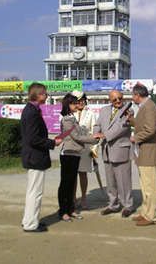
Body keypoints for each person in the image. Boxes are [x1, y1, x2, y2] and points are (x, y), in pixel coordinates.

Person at [20, 83, 62, 233]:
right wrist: (52, 142)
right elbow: (33, 139)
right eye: (44, 94)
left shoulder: (32, 110)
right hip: (35, 157)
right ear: (37, 95)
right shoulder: (31, 112)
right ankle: (31, 224)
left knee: (33, 191)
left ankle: (29, 220)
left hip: (34, 156)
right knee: (35, 193)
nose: (46, 96)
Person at [58, 93, 103, 222]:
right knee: (66, 184)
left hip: (80, 151)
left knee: (75, 179)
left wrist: (94, 146)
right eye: (75, 102)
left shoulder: (79, 116)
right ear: (69, 105)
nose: (78, 104)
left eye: (81, 101)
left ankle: (72, 208)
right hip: (69, 152)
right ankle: (64, 210)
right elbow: (77, 136)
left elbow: (87, 131)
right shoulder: (67, 119)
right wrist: (94, 139)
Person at [93, 90, 134, 218]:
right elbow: (97, 124)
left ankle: (127, 205)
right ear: (109, 99)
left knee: (124, 181)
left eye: (120, 98)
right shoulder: (104, 110)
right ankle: (113, 205)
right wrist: (96, 134)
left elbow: (123, 127)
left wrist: (105, 135)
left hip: (121, 150)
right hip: (106, 150)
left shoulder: (128, 110)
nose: (118, 101)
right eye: (114, 99)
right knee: (110, 181)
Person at [128, 84, 156, 226]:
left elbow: (150, 130)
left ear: (137, 95)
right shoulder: (146, 106)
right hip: (144, 152)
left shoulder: (149, 107)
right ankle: (145, 212)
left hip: (149, 151)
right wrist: (131, 120)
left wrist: (135, 138)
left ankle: (151, 216)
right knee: (145, 185)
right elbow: (143, 125)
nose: (132, 97)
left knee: (150, 186)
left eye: (132, 95)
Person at [72, 91, 97, 210]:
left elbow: (94, 133)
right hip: (72, 149)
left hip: (86, 148)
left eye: (83, 100)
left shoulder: (91, 114)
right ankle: (73, 198)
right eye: (78, 100)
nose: (81, 102)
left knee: (83, 174)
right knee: (72, 174)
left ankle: (83, 198)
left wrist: (94, 149)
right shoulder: (70, 114)